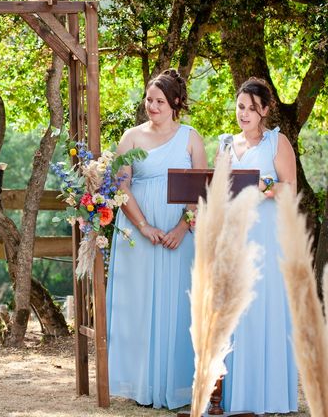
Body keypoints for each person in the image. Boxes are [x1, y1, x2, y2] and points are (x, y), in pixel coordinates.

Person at [105, 69, 207, 409]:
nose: (152, 106)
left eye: (160, 101)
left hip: (180, 233)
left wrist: (182, 227)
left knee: (179, 305)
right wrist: (144, 226)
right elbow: (121, 185)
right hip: (139, 233)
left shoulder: (191, 137)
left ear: (176, 103)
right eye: (149, 99)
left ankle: (177, 386)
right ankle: (142, 385)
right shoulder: (131, 137)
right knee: (140, 305)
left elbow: (201, 189)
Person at [219, 77, 298, 414]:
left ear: (265, 110)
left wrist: (265, 187)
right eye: (240, 107)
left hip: (266, 234)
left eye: (252, 108)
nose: (244, 113)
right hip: (234, 234)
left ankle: (268, 396)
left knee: (263, 307)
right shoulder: (225, 144)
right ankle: (236, 395)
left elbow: (291, 189)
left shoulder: (277, 143)